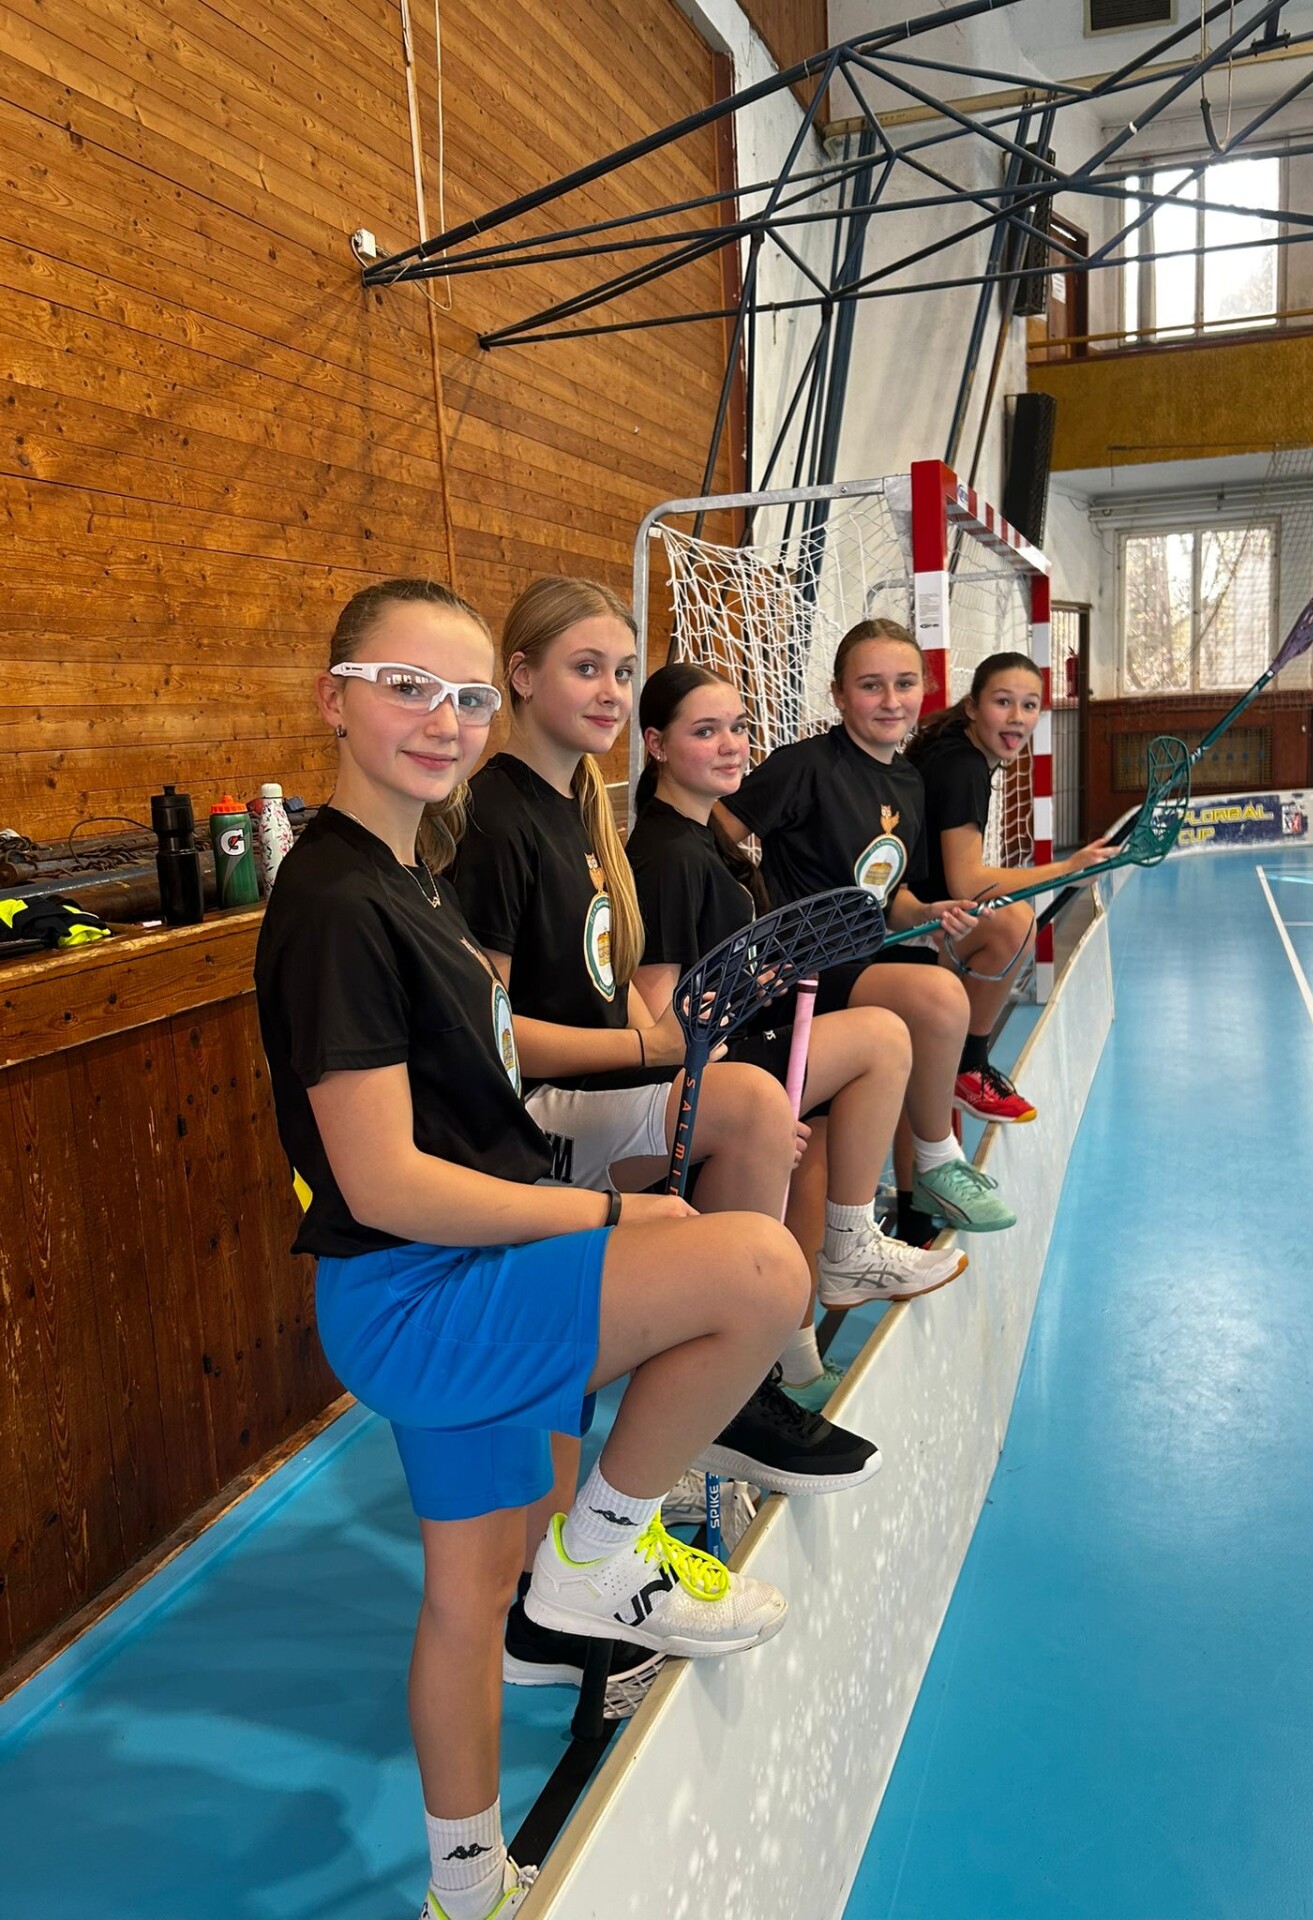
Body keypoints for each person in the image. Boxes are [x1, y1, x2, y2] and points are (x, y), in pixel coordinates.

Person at [253, 578, 809, 1920]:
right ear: (334, 701)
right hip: (426, 1293)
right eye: (405, 688)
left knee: (467, 1594)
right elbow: (386, 1181)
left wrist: (651, 1052)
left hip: (437, 1282)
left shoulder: (410, 877)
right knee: (759, 1270)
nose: (441, 720)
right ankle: (600, 1557)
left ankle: (464, 1881)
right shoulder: (338, 902)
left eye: (462, 698)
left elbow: (493, 1063)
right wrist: (612, 1213)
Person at [447, 577, 883, 1688]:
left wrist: (679, 1047)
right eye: (584, 667)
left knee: (753, 1110)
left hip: (597, 1093)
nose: (607, 689)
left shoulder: (579, 809)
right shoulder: (497, 818)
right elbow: (493, 1040)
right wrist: (655, 1049)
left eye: (620, 669)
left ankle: (723, 1388)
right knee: (739, 1114)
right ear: (520, 677)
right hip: (532, 1120)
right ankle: (709, 1390)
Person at [627, 661, 969, 1405]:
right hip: (703, 1079)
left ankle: (796, 1354)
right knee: (882, 1038)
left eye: (738, 728)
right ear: (656, 745)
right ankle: (852, 1244)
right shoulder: (668, 856)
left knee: (820, 1147)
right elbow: (661, 1022)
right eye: (705, 731)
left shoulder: (709, 843)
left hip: (743, 1046)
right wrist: (744, 1107)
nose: (732, 745)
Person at [715, 616, 1017, 1236]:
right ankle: (936, 1159)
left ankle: (882, 1222)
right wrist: (743, 908)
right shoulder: (804, 766)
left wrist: (927, 913)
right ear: (838, 694)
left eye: (904, 684)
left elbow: (892, 893)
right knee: (937, 996)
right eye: (870, 685)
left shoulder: (908, 782)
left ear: (924, 690)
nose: (890, 700)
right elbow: (712, 832)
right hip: (800, 970)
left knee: (824, 1160)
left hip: (861, 963)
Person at [907, 651, 1110, 1124]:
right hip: (905, 928)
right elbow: (968, 881)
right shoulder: (962, 767)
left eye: (1030, 705)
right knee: (1015, 924)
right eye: (1003, 702)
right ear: (973, 706)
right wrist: (1068, 869)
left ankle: (949, 1084)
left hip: (914, 911)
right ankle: (968, 1065)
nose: (1018, 716)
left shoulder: (954, 750)